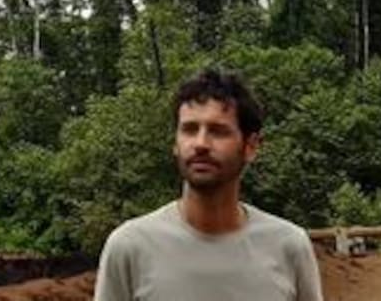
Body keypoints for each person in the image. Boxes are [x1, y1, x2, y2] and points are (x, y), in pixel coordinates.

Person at [93, 68, 323, 301]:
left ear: (251, 146)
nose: (200, 143)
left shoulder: (289, 247)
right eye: (190, 129)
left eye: (218, 131)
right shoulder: (130, 247)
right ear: (175, 142)